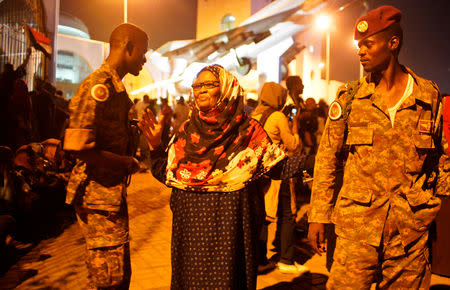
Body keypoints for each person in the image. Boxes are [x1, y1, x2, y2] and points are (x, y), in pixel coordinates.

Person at [307, 6, 449, 289]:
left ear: (392, 43)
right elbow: (327, 159)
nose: (360, 51)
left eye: (368, 44)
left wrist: (437, 206)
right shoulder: (350, 98)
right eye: (359, 45)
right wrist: (318, 216)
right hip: (357, 230)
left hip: (409, 235)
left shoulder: (427, 95)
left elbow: (440, 155)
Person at [139, 64, 306, 289]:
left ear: (227, 88)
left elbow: (278, 167)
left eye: (209, 84)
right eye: (197, 85)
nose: (201, 90)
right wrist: (156, 146)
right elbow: (166, 174)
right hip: (190, 240)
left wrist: (315, 161)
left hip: (231, 236)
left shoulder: (248, 132)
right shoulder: (186, 132)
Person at [63, 23, 147, 289]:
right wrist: (125, 163)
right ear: (128, 47)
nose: (144, 60)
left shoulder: (115, 87)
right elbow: (78, 146)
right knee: (109, 280)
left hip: (108, 196)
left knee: (115, 275)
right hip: (97, 196)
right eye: (143, 53)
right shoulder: (99, 86)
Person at [251, 82, 307, 274]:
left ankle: (258, 259)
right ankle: (286, 259)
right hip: (278, 172)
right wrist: (296, 125)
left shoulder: (254, 114)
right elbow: (293, 145)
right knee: (287, 214)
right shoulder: (278, 116)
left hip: (257, 173)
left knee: (262, 216)